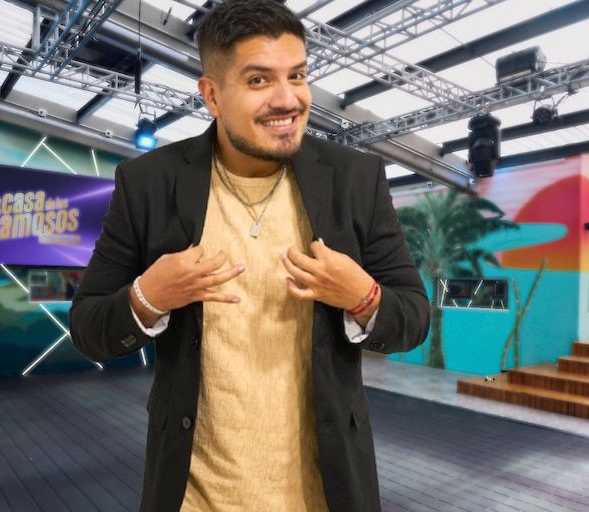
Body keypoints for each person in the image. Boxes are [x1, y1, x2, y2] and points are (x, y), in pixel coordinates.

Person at [70, 1, 429, 511]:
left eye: (297, 75)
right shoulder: (149, 183)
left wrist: (362, 296)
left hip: (324, 495)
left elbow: (413, 317)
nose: (288, 99)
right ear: (212, 95)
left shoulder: (355, 179)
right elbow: (89, 329)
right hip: (195, 496)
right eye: (259, 80)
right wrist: (149, 297)